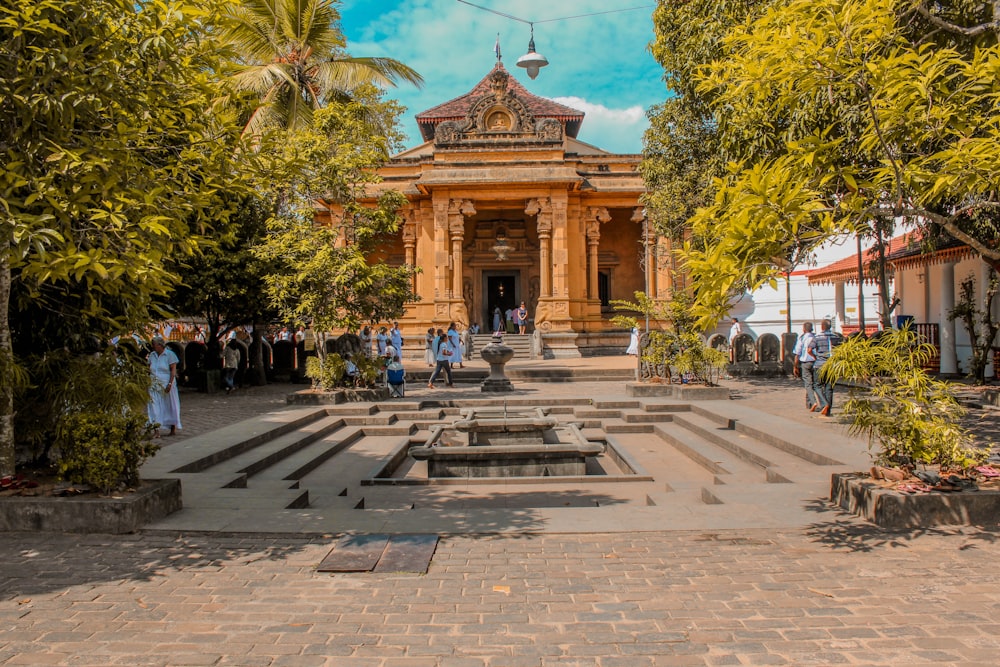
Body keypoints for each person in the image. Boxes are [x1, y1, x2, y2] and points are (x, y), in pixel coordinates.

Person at [147, 336, 181, 437]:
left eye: (155, 345)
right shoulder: (152, 355)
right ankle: (156, 430)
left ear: (160, 345)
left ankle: (172, 427)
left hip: (166, 383)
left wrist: (170, 383)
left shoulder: (170, 355)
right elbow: (149, 369)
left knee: (169, 406)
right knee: (154, 406)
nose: (153, 347)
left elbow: (173, 371)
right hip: (154, 384)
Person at [812, 319, 844, 416]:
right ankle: (828, 410)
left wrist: (816, 357)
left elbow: (810, 349)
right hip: (832, 365)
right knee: (829, 388)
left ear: (822, 326)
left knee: (817, 385)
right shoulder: (836, 337)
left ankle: (824, 404)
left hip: (820, 364)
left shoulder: (817, 337)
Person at [791, 322, 820, 412]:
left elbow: (797, 353)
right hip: (816, 362)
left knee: (808, 384)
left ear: (804, 329)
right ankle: (810, 403)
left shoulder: (802, 338)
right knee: (815, 384)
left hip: (806, 363)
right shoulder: (816, 337)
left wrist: (795, 366)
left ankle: (813, 401)